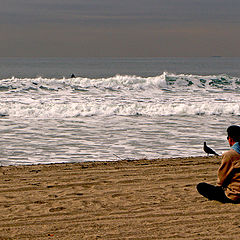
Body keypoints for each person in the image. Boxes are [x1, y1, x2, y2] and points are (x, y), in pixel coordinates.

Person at [197, 125, 240, 203]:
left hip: (235, 196)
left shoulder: (229, 155)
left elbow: (221, 179)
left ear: (230, 139)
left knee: (201, 186)